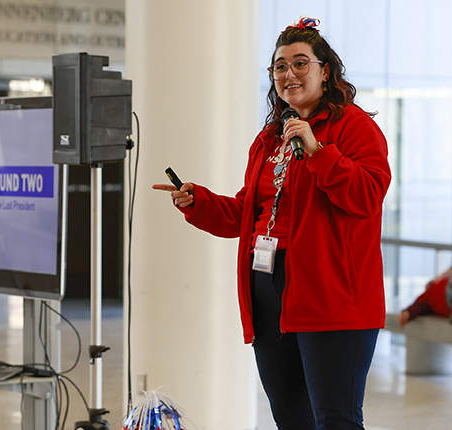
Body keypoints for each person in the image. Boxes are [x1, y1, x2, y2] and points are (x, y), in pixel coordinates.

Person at [153, 15, 390, 429]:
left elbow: (367, 196)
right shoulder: (268, 139)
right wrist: (199, 201)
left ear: (325, 71)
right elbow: (248, 214)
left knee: (336, 420)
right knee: (290, 418)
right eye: (279, 66)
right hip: (270, 296)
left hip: (332, 300)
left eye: (300, 63)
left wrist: (318, 151)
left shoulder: (356, 128)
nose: (289, 73)